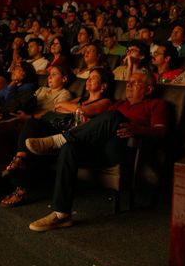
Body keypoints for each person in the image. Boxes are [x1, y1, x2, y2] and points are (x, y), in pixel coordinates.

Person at [24, 71, 169, 231]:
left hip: (124, 148)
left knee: (114, 116)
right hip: (99, 147)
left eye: (135, 83)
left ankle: (58, 140)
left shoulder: (156, 104)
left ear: (148, 89)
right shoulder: (119, 103)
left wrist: (137, 129)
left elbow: (161, 131)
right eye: (128, 82)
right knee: (70, 148)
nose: (128, 84)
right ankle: (61, 214)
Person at [0, 66, 112, 207]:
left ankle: (21, 189)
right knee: (32, 125)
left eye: (93, 78)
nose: (88, 80)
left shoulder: (105, 101)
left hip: (75, 137)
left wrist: (74, 107)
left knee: (38, 142)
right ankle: (19, 159)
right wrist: (75, 108)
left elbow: (84, 110)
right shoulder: (81, 98)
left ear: (103, 86)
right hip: (59, 129)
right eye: (88, 77)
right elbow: (58, 107)